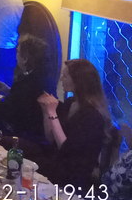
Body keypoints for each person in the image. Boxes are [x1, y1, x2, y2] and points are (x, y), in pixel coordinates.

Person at [30, 58, 111, 190]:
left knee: (27, 162)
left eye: (65, 76)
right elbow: (50, 138)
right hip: (57, 160)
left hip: (72, 174)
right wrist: (46, 111)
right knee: (20, 149)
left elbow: (66, 148)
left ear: (78, 81)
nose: (61, 79)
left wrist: (52, 112)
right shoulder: (70, 103)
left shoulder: (92, 116)